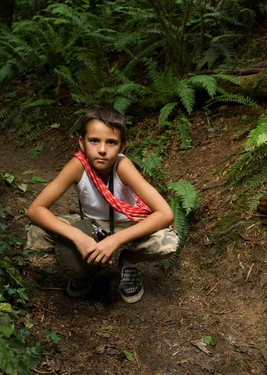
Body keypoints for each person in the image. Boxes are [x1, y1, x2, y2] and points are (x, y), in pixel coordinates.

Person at [26, 106, 178, 303]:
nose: (102, 150)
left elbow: (165, 213)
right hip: (91, 225)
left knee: (166, 243)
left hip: (127, 224)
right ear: (82, 143)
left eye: (111, 142)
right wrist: (78, 236)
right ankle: (87, 268)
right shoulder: (78, 165)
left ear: (122, 147)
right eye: (94, 141)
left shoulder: (122, 166)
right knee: (37, 230)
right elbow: (35, 209)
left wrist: (115, 241)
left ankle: (128, 261)